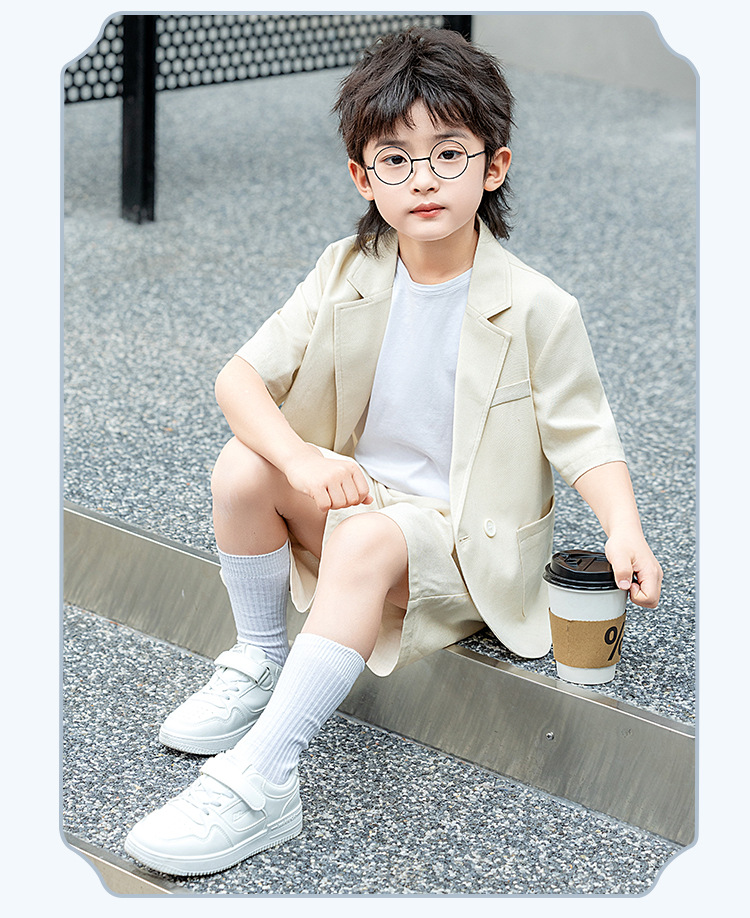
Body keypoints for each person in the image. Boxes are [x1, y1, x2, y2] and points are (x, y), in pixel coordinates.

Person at [125, 27, 662, 876]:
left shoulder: (538, 307)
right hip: (364, 503)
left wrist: (623, 527)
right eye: (396, 159)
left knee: (367, 538)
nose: (423, 179)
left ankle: (262, 780)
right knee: (243, 466)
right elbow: (239, 379)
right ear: (362, 178)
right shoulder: (347, 268)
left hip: (462, 541)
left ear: (494, 167)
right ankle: (260, 660)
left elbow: (583, 431)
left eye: (449, 154)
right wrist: (301, 462)